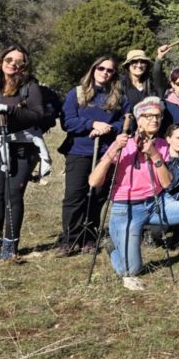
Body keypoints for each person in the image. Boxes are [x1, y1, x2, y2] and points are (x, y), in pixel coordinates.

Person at [88, 97, 179, 288]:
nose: (154, 120)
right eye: (148, 116)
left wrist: (154, 155)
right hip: (126, 209)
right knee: (132, 270)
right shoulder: (123, 144)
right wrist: (115, 149)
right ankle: (113, 248)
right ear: (138, 119)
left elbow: (166, 183)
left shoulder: (161, 145)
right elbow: (94, 181)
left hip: (159, 202)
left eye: (157, 116)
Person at [57, 55, 130, 256]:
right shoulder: (77, 93)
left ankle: (89, 236)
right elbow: (68, 122)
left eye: (110, 70)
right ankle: (70, 238)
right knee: (75, 196)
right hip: (79, 152)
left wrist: (109, 128)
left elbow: (126, 124)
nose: (105, 72)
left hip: (106, 154)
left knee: (97, 196)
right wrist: (91, 125)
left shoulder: (119, 97)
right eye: (101, 68)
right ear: (93, 69)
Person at [0, 46, 44, 263]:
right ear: (2, 60)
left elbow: (38, 115)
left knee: (13, 197)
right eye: (9, 59)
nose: (12, 64)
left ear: (24, 66)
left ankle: (10, 245)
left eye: (18, 61)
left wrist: (11, 110)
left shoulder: (30, 87)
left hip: (21, 149)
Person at [146, 123, 179, 248]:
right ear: (168, 139)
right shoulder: (158, 158)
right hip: (160, 201)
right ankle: (150, 234)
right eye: (178, 138)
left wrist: (177, 198)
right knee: (158, 230)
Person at [120, 49, 163, 113]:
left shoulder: (150, 86)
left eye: (142, 62)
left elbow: (157, 76)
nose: (139, 65)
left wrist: (160, 57)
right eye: (135, 62)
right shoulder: (121, 85)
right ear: (128, 66)